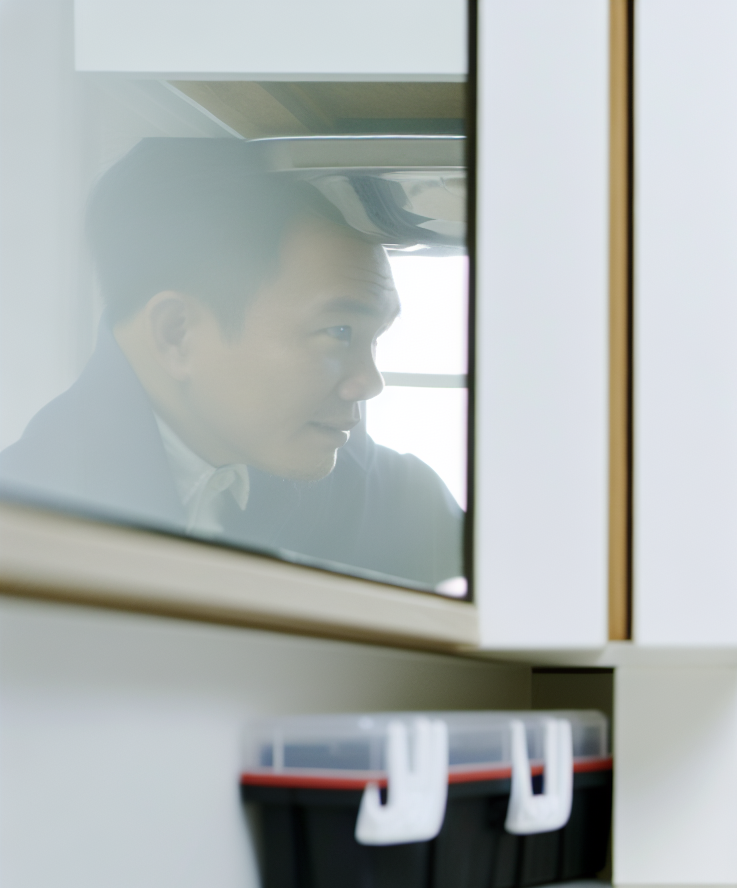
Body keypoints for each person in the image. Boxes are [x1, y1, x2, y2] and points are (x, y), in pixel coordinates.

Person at [0, 138, 463, 589]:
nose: (369, 383)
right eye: (338, 332)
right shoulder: (23, 523)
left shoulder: (396, 500)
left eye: (374, 338)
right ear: (177, 332)